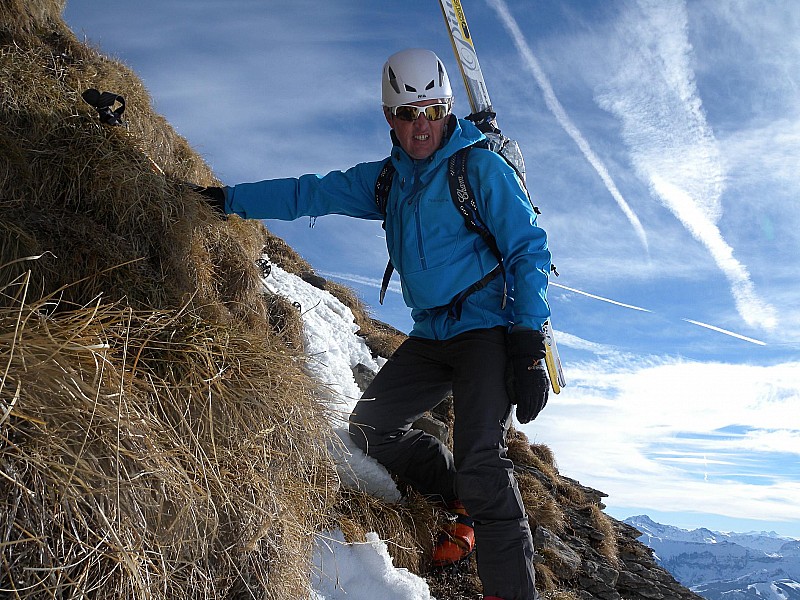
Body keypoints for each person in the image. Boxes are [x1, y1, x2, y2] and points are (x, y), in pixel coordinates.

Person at [200, 48, 551, 600]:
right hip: (433, 334)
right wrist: (227, 200)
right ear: (389, 116)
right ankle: (460, 495)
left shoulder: (478, 167)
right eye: (408, 114)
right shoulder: (388, 182)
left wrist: (527, 343)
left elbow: (528, 247)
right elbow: (308, 191)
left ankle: (509, 585)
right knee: (370, 427)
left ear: (446, 109)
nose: (421, 127)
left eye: (431, 111)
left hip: (486, 329)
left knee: (483, 455)